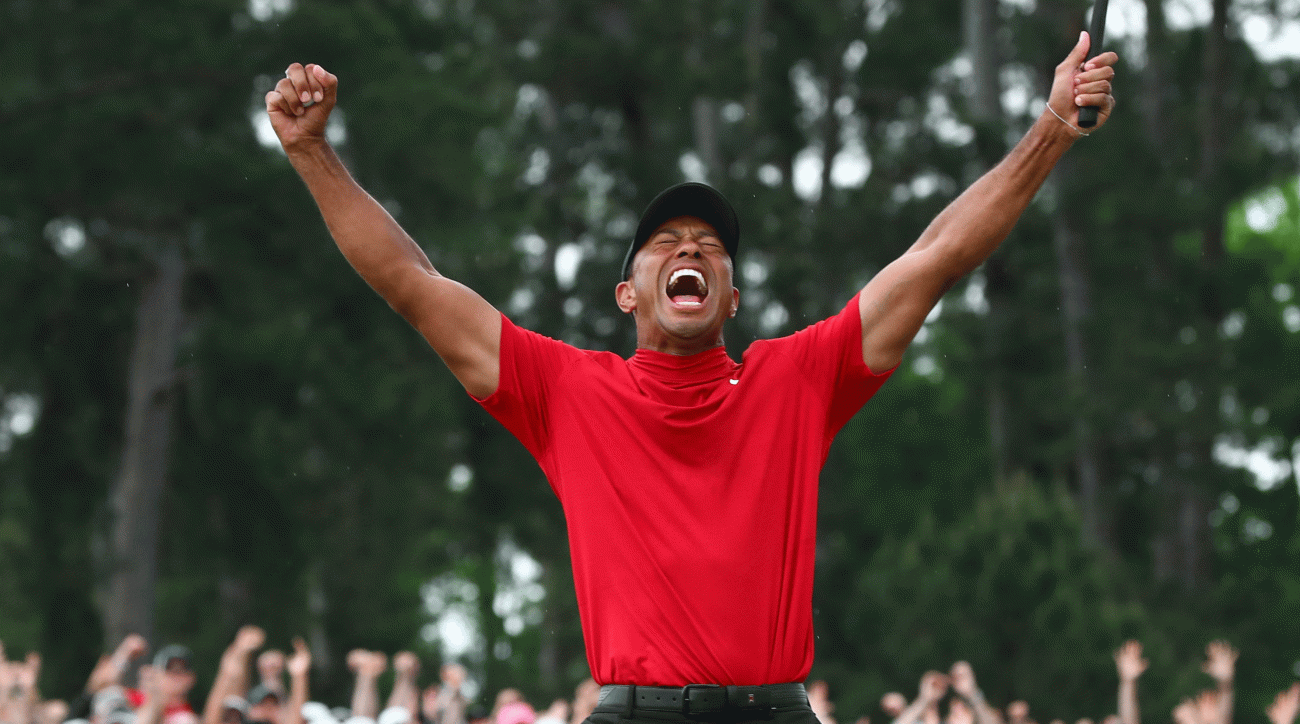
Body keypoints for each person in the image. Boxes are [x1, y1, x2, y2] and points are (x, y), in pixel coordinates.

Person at [265, 25, 1117, 724]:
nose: (691, 250)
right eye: (666, 244)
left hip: (774, 711)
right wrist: (311, 153)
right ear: (627, 293)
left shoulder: (798, 378)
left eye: (710, 246)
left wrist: (1051, 127)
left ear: (731, 297)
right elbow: (413, 283)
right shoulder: (566, 390)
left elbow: (935, 257)